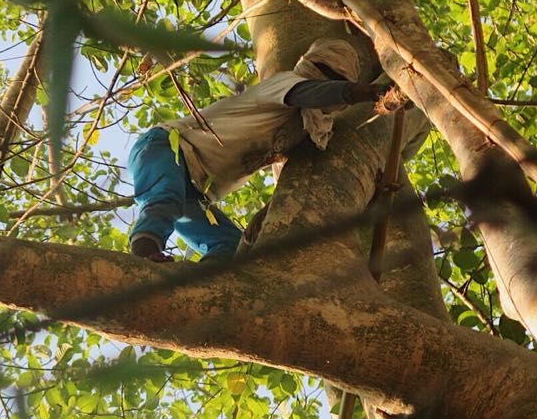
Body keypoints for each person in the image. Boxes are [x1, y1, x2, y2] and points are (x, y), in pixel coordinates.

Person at [127, 38, 382, 262]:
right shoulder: (285, 84)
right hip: (169, 147)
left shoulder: (306, 126)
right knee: (164, 200)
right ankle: (143, 258)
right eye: (329, 78)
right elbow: (313, 92)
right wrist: (367, 92)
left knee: (230, 246)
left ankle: (200, 288)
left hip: (195, 190)